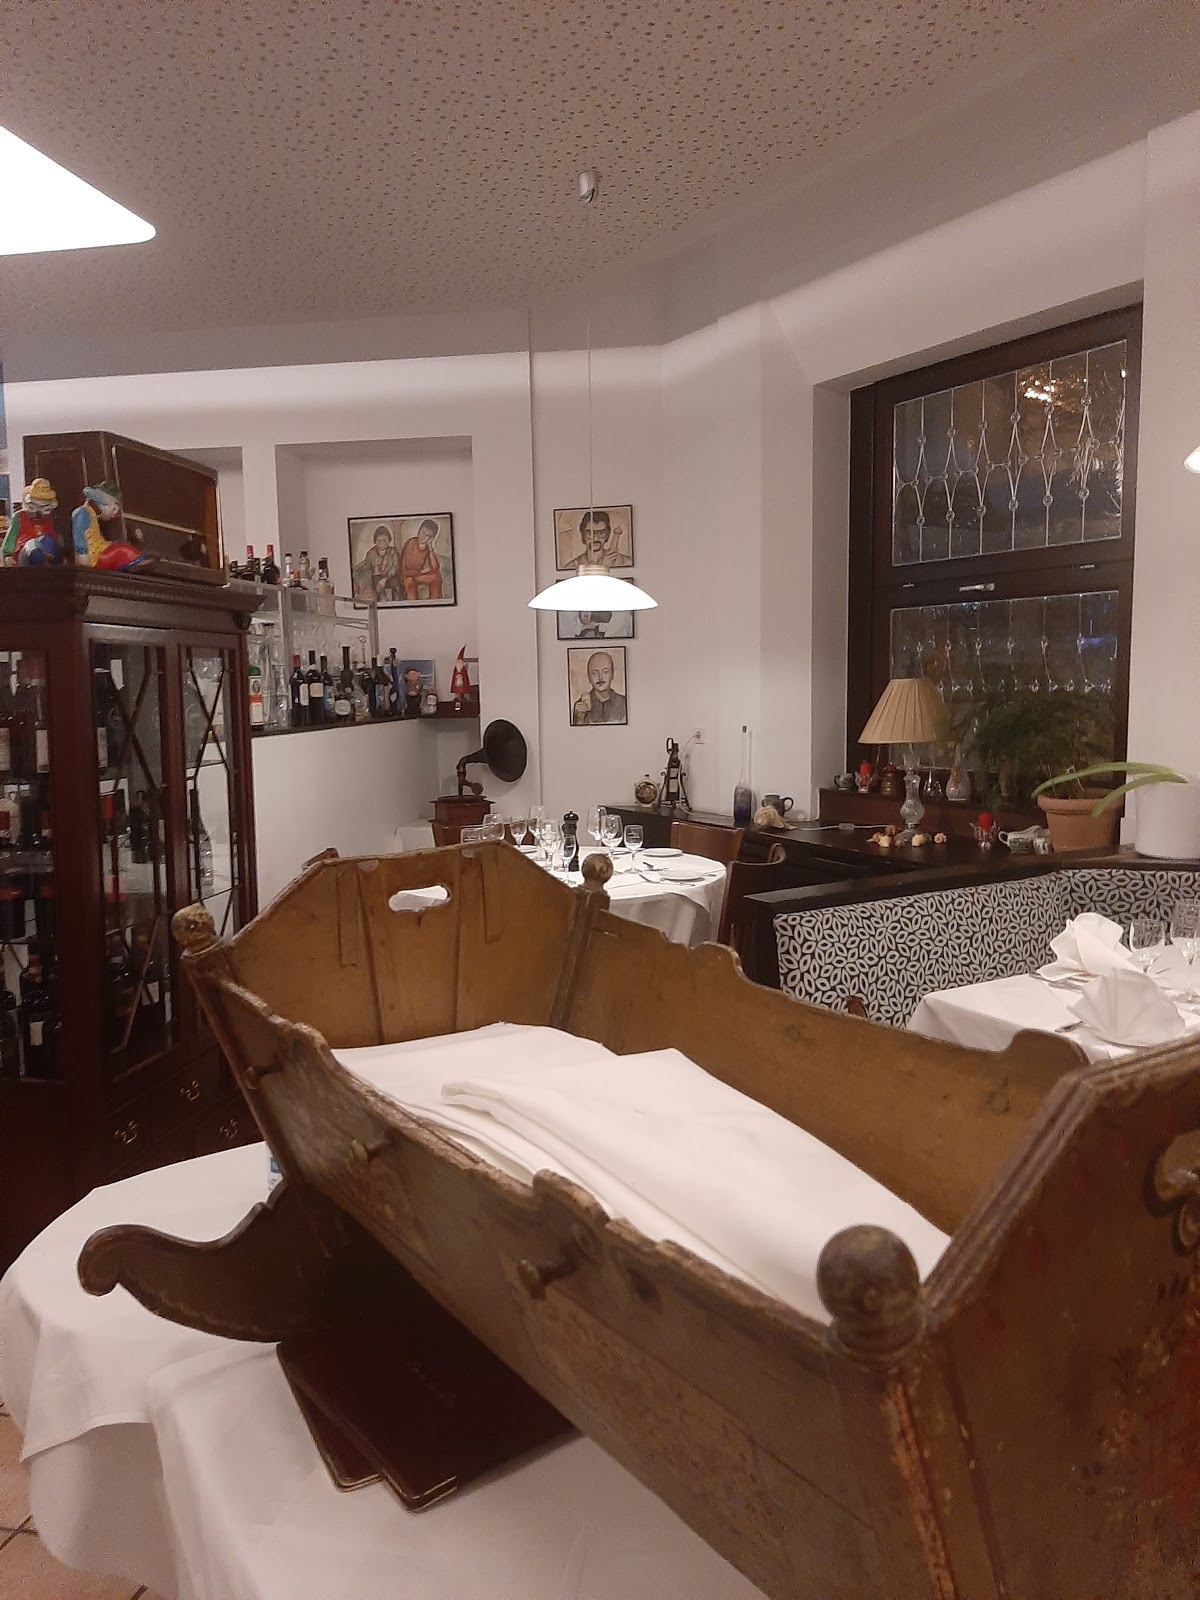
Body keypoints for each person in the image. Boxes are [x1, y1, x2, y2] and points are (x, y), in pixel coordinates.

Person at [71, 483, 148, 571]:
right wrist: (82, 554)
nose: (113, 515)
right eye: (113, 509)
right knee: (121, 550)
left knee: (120, 545)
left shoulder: (92, 515)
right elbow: (79, 536)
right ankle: (136, 562)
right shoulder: (83, 513)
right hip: (93, 557)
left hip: (99, 550)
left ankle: (135, 563)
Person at [2, 478, 61, 566]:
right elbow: (9, 543)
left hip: (50, 556)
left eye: (44, 509)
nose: (38, 513)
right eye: (33, 507)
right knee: (33, 548)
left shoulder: (52, 519)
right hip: (25, 554)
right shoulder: (19, 517)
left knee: (47, 540)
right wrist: (8, 555)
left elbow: (58, 542)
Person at [572, 651, 627, 726]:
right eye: (594, 673)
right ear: (589, 677)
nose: (600, 677)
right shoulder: (581, 706)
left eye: (605, 672)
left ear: (612, 674)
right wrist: (579, 719)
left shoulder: (623, 703)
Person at [399, 518, 444, 600]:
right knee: (409, 582)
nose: (424, 537)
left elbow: (435, 568)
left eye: (428, 536)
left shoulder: (428, 548)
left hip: (420, 575)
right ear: (419, 530)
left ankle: (434, 603)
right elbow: (405, 569)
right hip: (408, 575)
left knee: (436, 577)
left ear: (431, 538)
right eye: (423, 532)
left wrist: (430, 548)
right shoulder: (410, 543)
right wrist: (421, 571)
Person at [363, 524, 400, 600]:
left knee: (396, 583)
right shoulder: (371, 553)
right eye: (379, 540)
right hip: (376, 578)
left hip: (390, 578)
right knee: (377, 586)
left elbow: (395, 567)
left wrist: (385, 579)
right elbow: (367, 567)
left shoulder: (393, 552)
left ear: (389, 540)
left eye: (384, 540)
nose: (382, 543)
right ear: (375, 541)